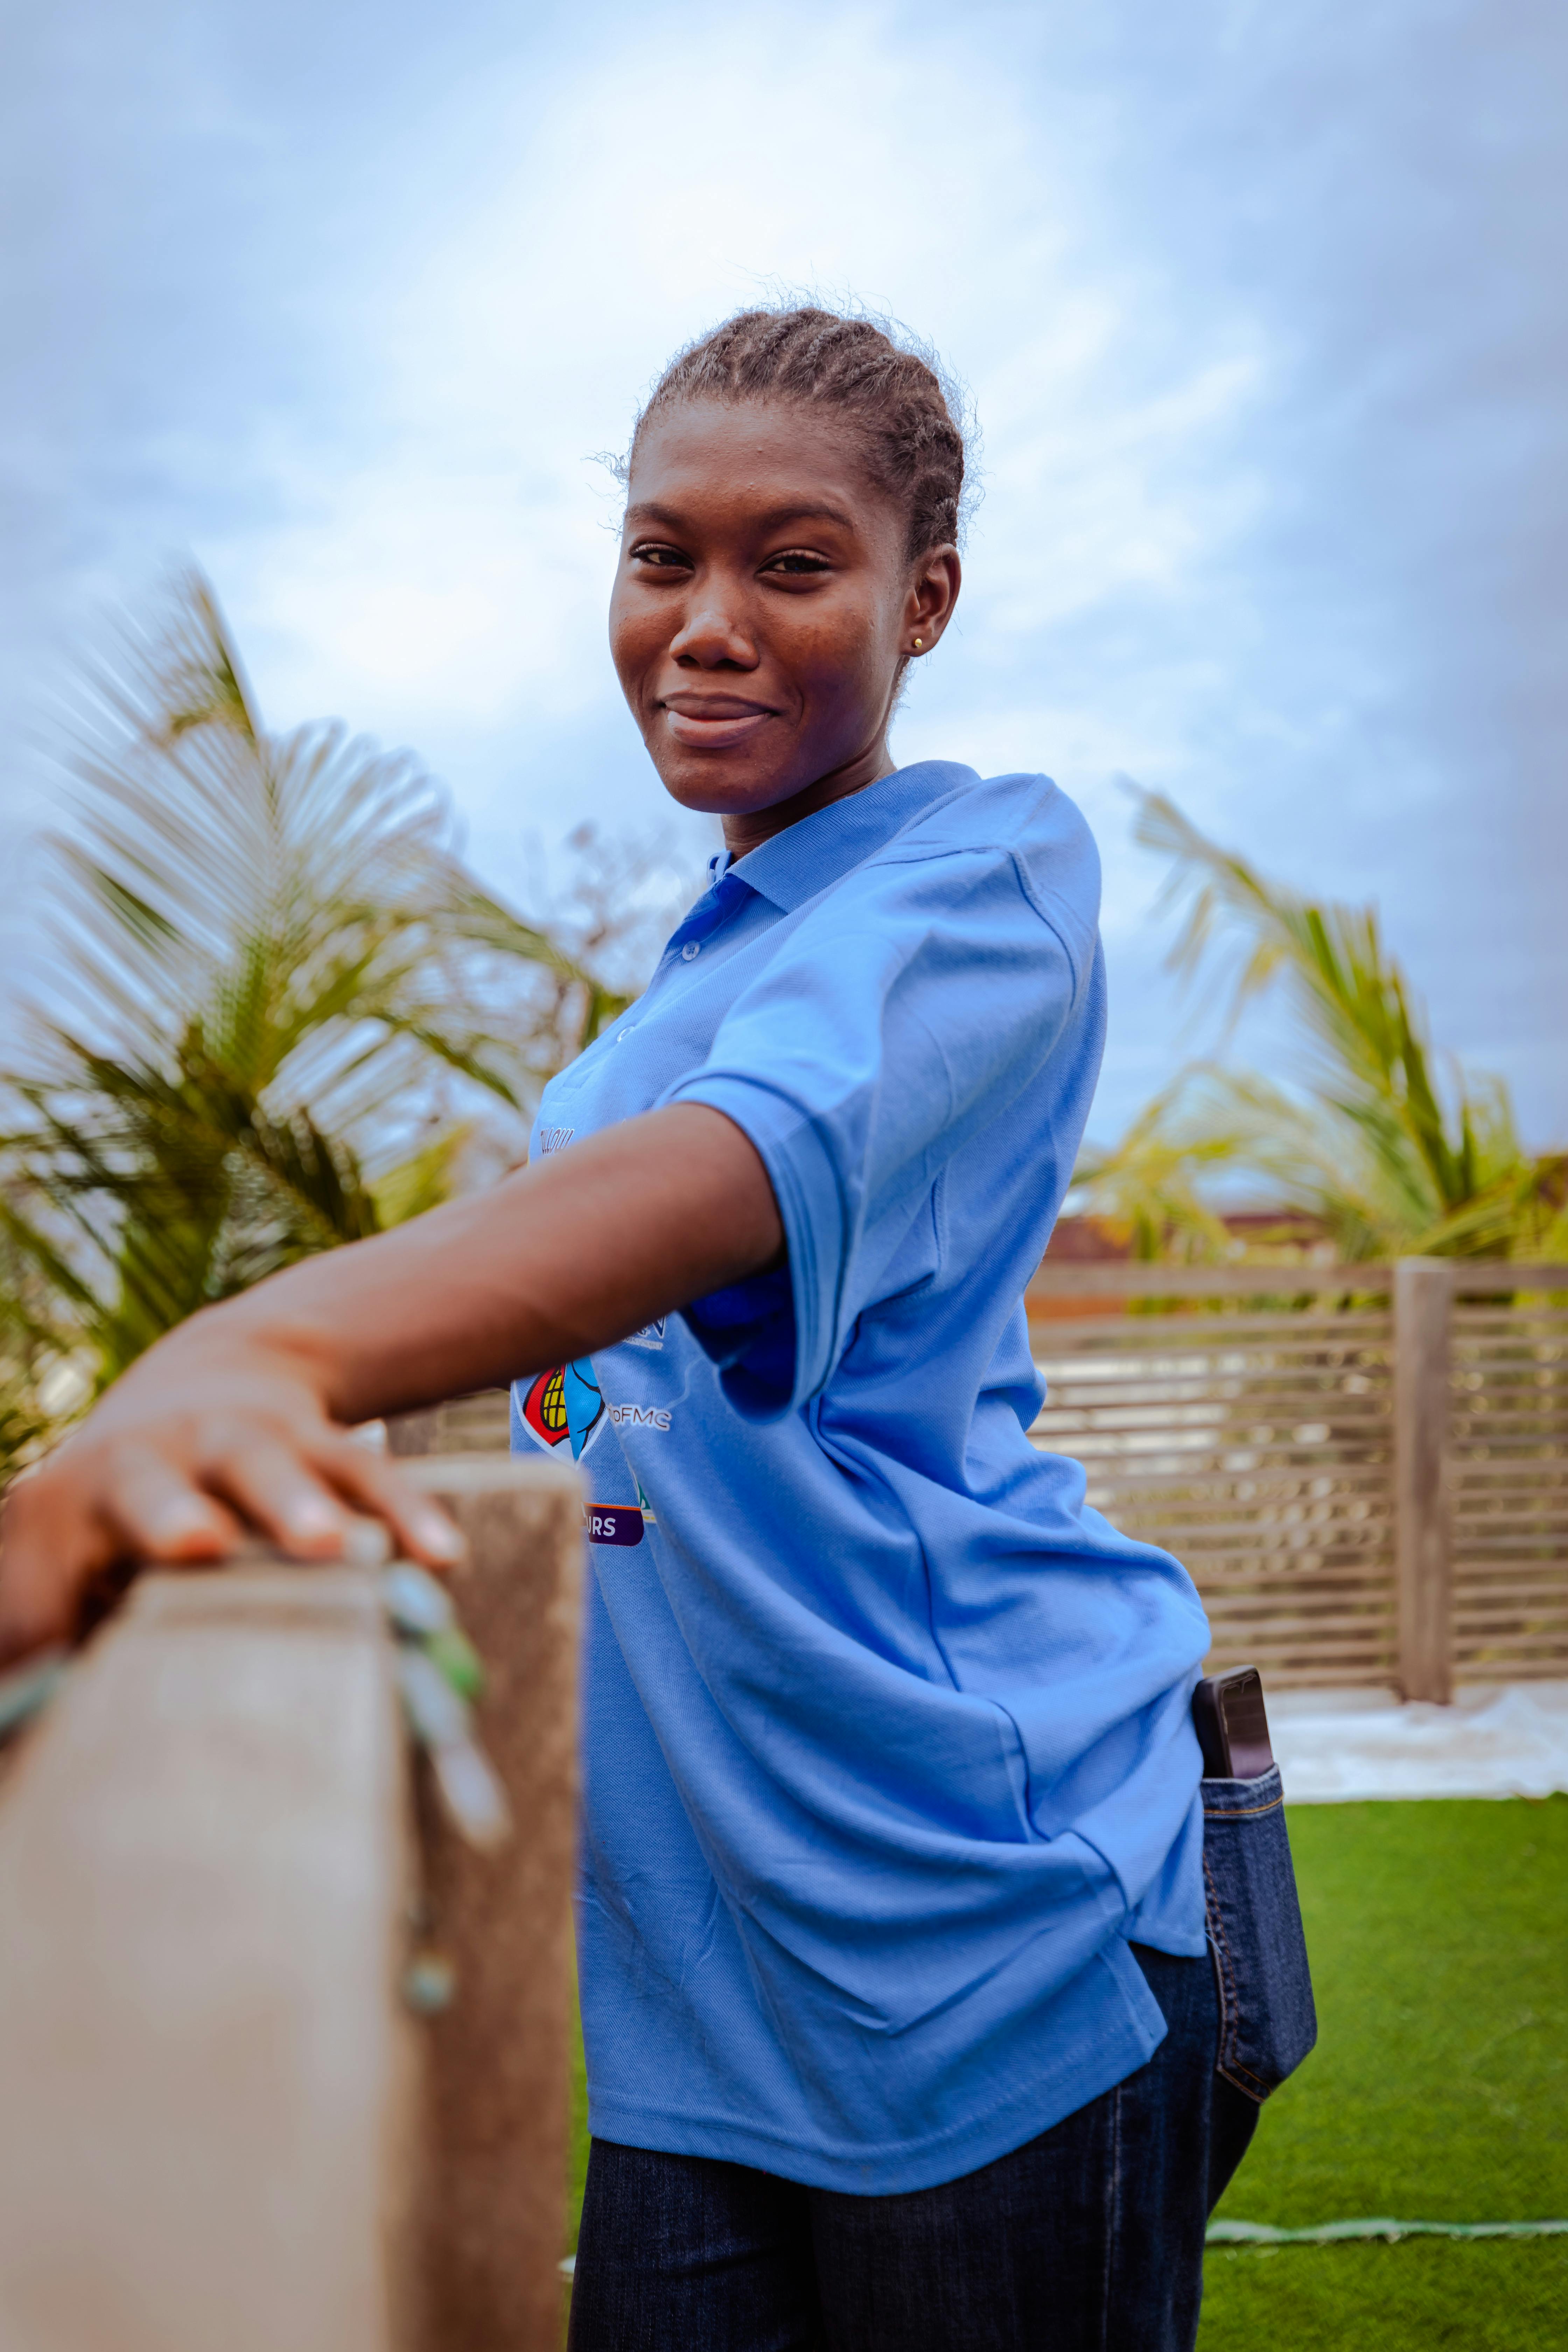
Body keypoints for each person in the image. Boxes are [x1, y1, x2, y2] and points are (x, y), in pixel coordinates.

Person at [0, 306, 1262, 2350]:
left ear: (925, 597)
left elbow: (705, 1187)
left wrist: (248, 1356)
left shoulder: (986, 874)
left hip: (982, 1936)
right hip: (697, 1994)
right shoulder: (654, 1022)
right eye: (663, 556)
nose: (707, 622)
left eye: (795, 561)